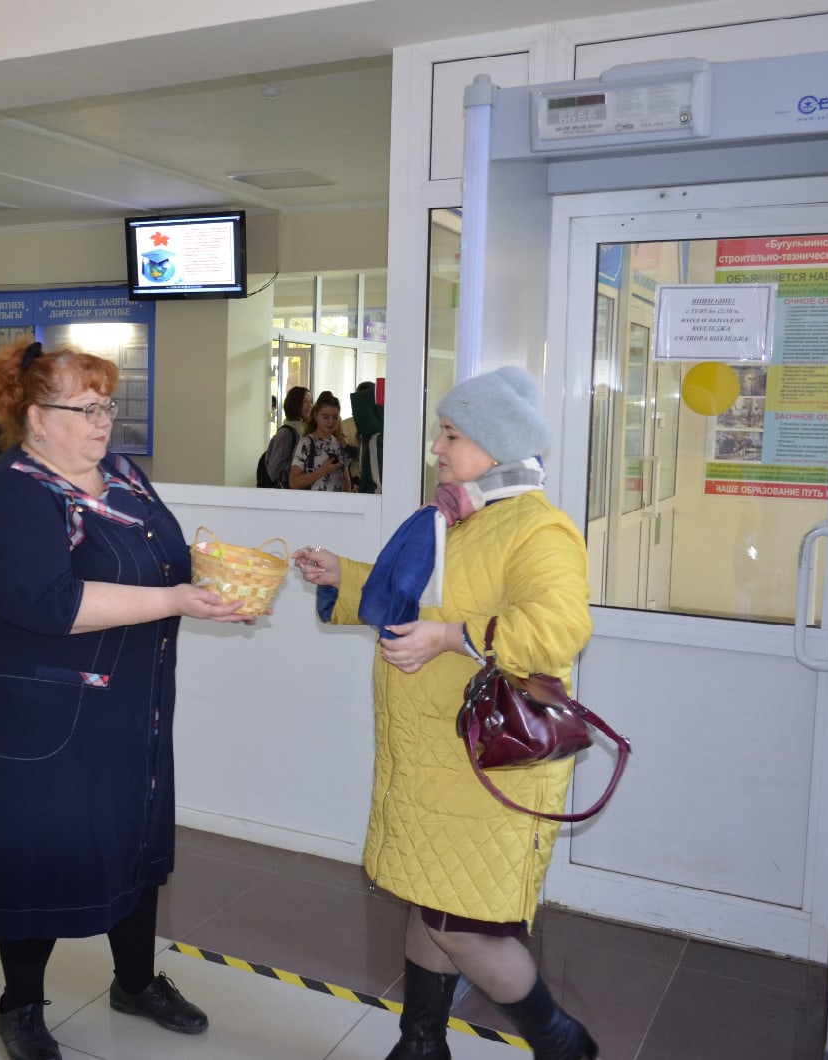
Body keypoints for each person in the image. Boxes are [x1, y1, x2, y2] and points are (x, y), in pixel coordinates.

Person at [293, 366, 597, 1060]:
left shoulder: (539, 531)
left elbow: (558, 630)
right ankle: (421, 1042)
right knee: (430, 897)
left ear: (495, 446)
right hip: (432, 756)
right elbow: (418, 603)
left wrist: (455, 638)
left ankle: (563, 1043)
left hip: (488, 769)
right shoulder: (458, 520)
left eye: (451, 435)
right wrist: (344, 576)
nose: (437, 446)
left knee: (463, 925)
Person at [0, 338, 249, 1060]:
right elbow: (50, 603)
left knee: (134, 838)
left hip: (131, 703)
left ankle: (135, 981)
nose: (103, 422)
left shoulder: (122, 474)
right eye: (85, 409)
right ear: (34, 417)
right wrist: (173, 599)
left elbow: (164, 559)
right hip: (45, 715)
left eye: (106, 406)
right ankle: (20, 1004)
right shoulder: (13, 492)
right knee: (41, 850)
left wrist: (216, 588)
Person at [290, 390, 354, 492]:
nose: (331, 422)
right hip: (313, 501)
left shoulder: (340, 443)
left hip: (337, 502)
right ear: (316, 415)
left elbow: (346, 480)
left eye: (335, 417)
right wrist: (322, 471)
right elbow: (293, 482)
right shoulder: (306, 443)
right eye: (325, 417)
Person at [261, 385, 311, 488]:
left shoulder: (304, 431)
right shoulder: (286, 434)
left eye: (311, 401)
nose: (309, 405)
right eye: (305, 401)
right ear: (295, 404)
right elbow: (275, 470)